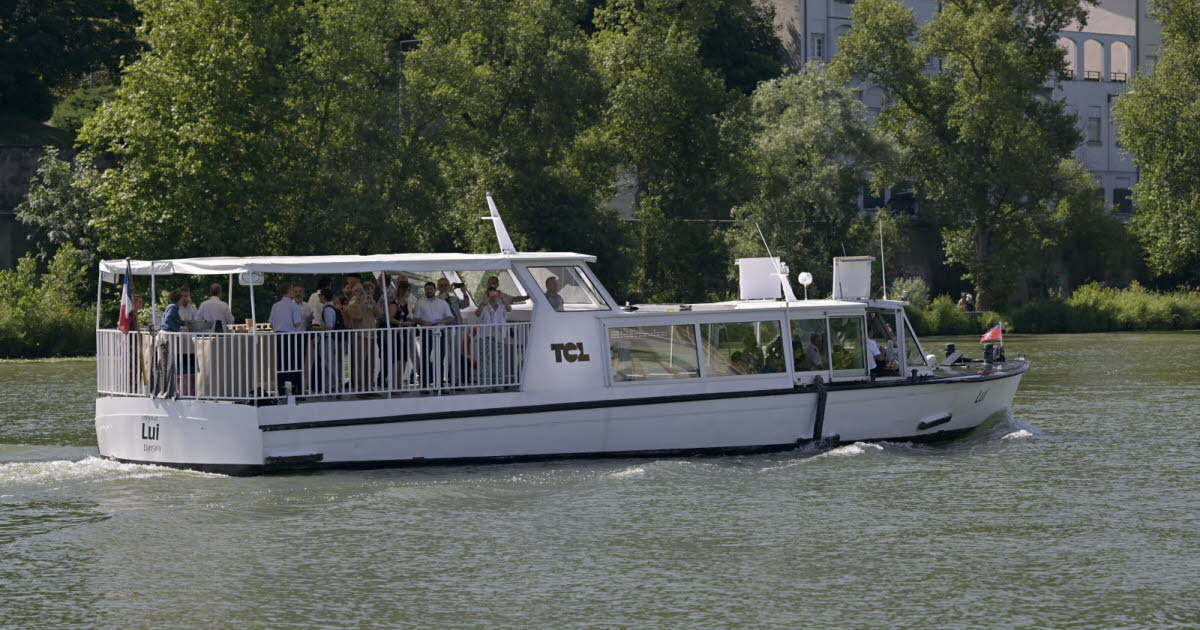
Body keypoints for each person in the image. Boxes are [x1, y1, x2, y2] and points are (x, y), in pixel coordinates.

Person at [414, 281, 454, 389]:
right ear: (424, 290)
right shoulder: (420, 302)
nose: (429, 291)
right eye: (427, 289)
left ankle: (439, 384)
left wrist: (442, 321)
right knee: (425, 359)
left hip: (440, 332)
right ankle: (424, 384)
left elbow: (451, 317)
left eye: (431, 289)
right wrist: (423, 323)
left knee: (440, 359)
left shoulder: (442, 303)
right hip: (426, 332)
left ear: (435, 289)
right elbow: (416, 318)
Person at [269, 283, 304, 397]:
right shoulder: (294, 306)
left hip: (279, 336)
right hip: (291, 336)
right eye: (293, 291)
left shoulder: (275, 305)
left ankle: (281, 389)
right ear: (289, 292)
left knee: (281, 363)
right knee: (293, 363)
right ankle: (295, 389)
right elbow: (297, 322)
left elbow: (271, 323)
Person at [474, 288, 511, 387]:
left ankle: (498, 385)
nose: (493, 296)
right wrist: (483, 303)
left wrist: (503, 299)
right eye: (491, 294)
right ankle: (485, 385)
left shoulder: (502, 306)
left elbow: (509, 310)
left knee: (498, 360)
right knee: (485, 361)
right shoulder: (484, 307)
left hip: (498, 336)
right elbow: (477, 314)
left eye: (495, 294)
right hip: (485, 336)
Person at [384, 283, 416, 389]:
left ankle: (398, 385)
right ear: (402, 291)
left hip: (405, 334)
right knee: (397, 360)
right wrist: (401, 324)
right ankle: (393, 385)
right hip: (396, 334)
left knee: (404, 359)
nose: (409, 292)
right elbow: (390, 318)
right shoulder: (394, 304)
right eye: (407, 290)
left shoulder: (406, 303)